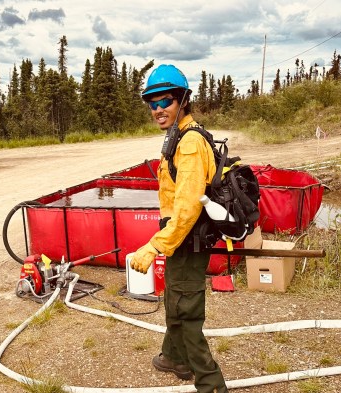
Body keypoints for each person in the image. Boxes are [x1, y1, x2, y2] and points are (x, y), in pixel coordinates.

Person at [130, 64, 229, 393]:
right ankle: (175, 358)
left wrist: (155, 245)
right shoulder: (179, 136)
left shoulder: (188, 144)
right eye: (152, 103)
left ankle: (211, 383)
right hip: (179, 240)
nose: (158, 109)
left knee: (186, 311)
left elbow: (186, 208)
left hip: (187, 240)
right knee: (175, 298)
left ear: (183, 100)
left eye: (166, 101)